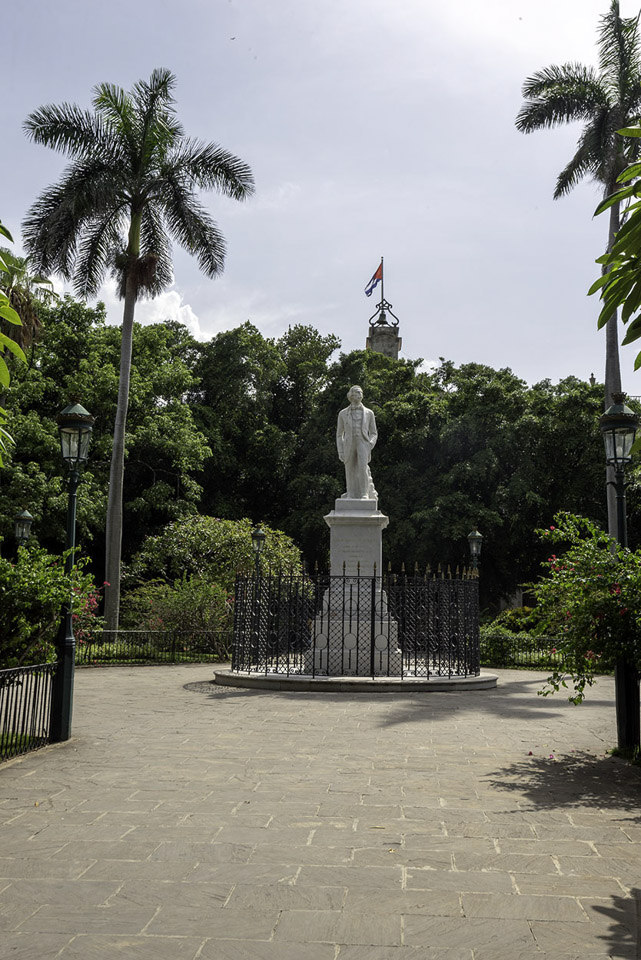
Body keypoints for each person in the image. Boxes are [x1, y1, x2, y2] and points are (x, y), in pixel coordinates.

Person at [336, 385, 378, 499]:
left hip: (363, 443)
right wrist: (340, 451)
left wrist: (370, 444)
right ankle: (351, 493)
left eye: (361, 392)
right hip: (348, 444)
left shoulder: (369, 413)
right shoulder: (343, 413)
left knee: (362, 468)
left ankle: (364, 494)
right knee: (349, 469)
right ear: (351, 395)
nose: (360, 395)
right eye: (357, 392)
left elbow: (374, 433)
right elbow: (339, 435)